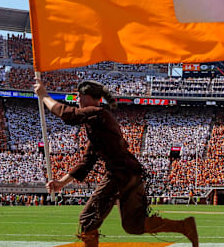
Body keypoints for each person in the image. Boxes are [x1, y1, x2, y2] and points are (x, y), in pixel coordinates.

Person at [34, 79, 199, 247]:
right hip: (131, 174)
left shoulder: (98, 114)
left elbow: (68, 114)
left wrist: (44, 96)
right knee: (133, 225)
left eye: (79, 96)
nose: (77, 99)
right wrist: (61, 182)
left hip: (119, 174)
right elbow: (87, 160)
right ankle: (183, 226)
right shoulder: (98, 124)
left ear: (88, 97)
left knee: (88, 219)